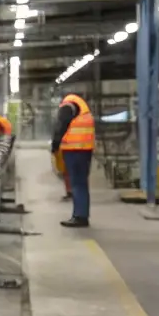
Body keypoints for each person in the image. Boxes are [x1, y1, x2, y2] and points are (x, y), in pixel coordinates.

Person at [51, 92, 95, 228]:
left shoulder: (68, 105)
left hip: (74, 149)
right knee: (82, 183)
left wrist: (55, 144)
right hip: (86, 149)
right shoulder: (82, 107)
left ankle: (80, 217)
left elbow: (61, 126)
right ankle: (82, 215)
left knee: (76, 183)